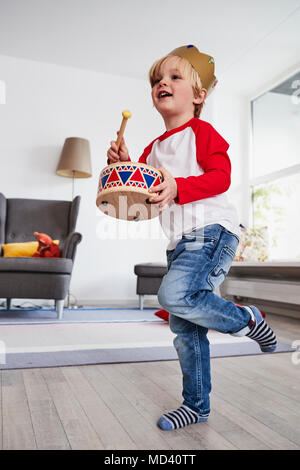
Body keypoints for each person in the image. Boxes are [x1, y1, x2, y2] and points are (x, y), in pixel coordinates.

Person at [107, 45, 277, 431]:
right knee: (185, 327)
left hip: (212, 231)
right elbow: (137, 194)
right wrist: (121, 165)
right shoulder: (151, 150)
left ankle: (245, 319)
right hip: (179, 242)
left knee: (173, 296)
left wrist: (177, 186)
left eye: (174, 77)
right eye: (157, 79)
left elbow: (222, 177)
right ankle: (196, 405)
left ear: (199, 96)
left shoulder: (201, 132)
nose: (162, 83)